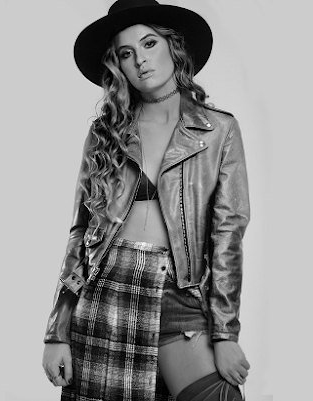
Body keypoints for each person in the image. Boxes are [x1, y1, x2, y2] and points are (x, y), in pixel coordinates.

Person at [42, 1, 251, 400]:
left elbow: (228, 234)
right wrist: (57, 329)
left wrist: (225, 332)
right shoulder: (105, 134)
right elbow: (80, 233)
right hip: (104, 291)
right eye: (126, 53)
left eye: (149, 43)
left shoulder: (218, 131)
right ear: (118, 66)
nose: (139, 60)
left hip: (178, 293)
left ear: (173, 46)